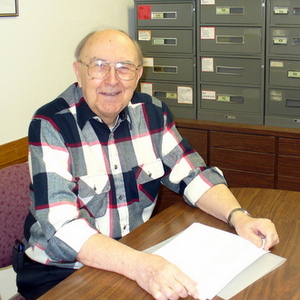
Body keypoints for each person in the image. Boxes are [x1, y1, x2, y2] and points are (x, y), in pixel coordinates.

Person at [17, 29, 279, 300]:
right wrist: (140, 266)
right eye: (98, 66)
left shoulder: (152, 113)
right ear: (78, 72)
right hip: (63, 272)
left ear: (138, 74)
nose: (112, 79)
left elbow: (193, 174)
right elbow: (63, 230)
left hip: (134, 255)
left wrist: (239, 217)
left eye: (124, 68)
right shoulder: (51, 124)